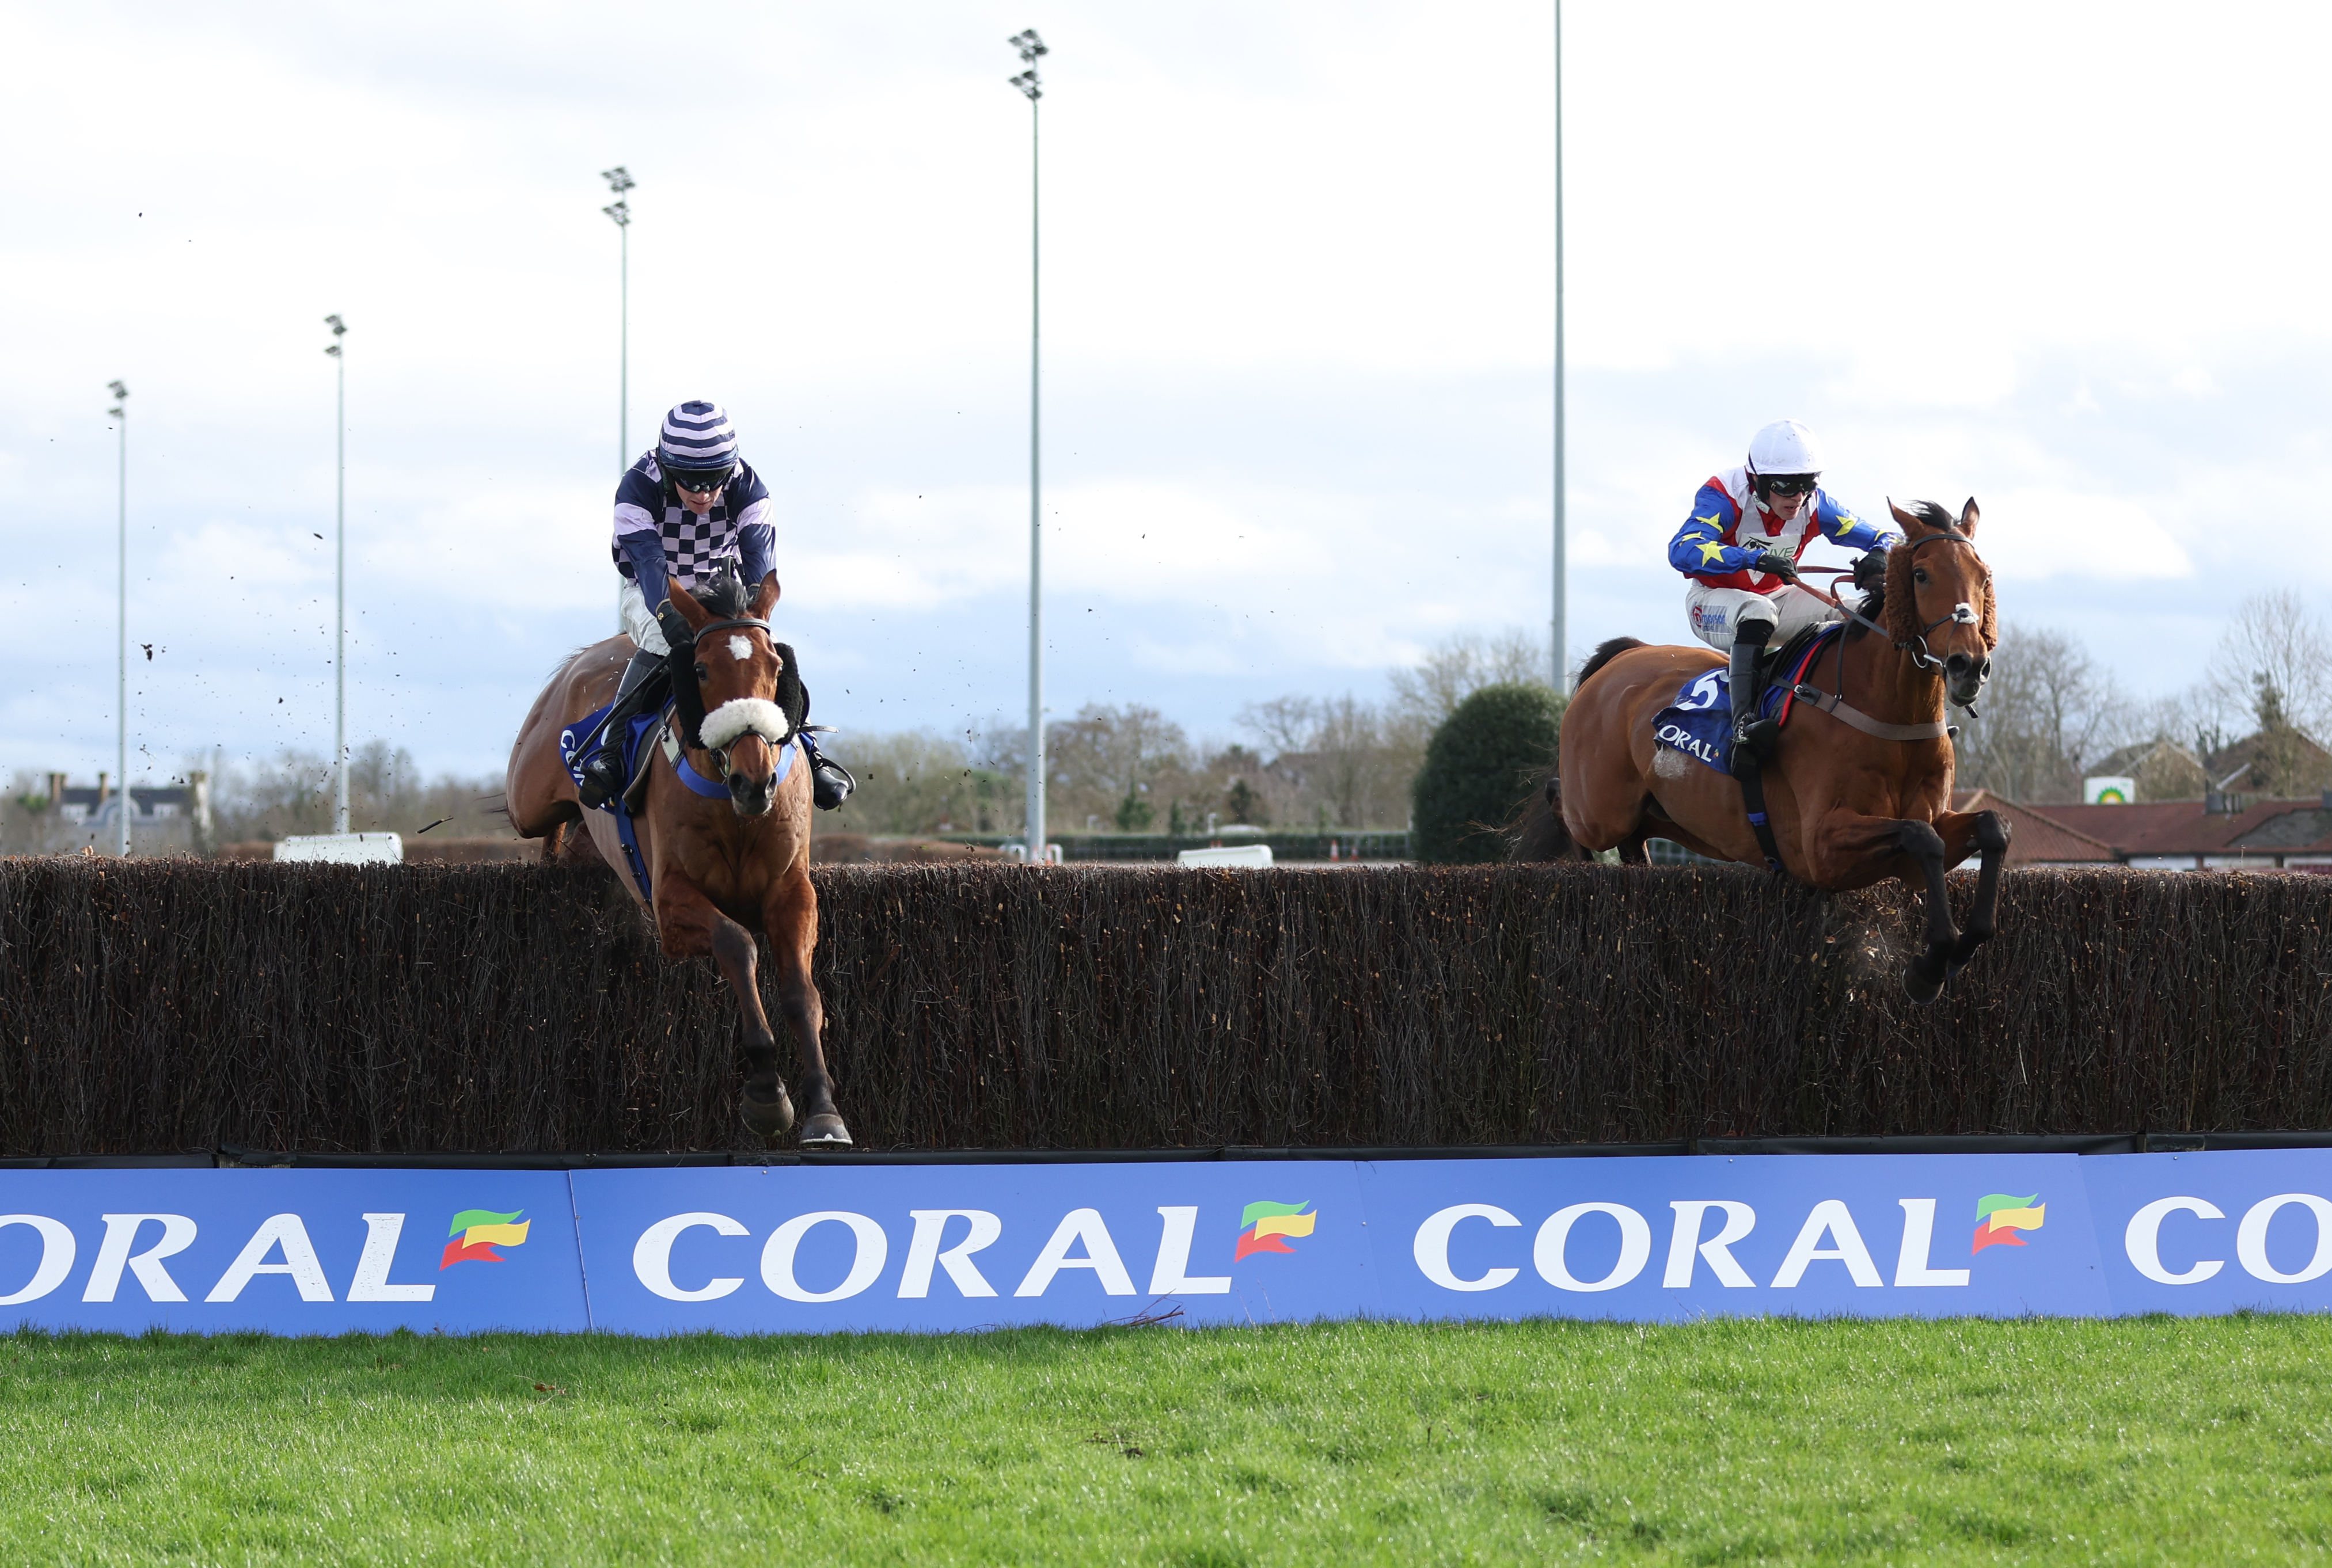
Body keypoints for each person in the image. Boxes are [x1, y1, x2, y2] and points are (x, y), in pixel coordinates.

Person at [575, 399, 854, 810]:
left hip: (725, 592)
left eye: (714, 479)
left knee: (763, 651)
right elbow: (651, 566)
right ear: (669, 471)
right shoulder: (637, 488)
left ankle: (809, 752)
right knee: (663, 640)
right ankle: (612, 752)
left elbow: (759, 563)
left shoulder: (749, 488)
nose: (704, 493)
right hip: (654, 590)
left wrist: (756, 614)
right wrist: (670, 613)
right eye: (691, 480)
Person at [1667, 418, 1901, 767]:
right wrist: (1754, 558)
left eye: (1807, 485)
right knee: (1757, 610)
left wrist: (1881, 556)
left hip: (1778, 599)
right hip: (1712, 602)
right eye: (1786, 487)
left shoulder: (1815, 504)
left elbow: (1890, 537)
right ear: (1756, 480)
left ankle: (1889, 715)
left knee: (1856, 612)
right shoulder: (1724, 495)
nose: (1798, 498)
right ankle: (1744, 730)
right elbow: (1682, 550)